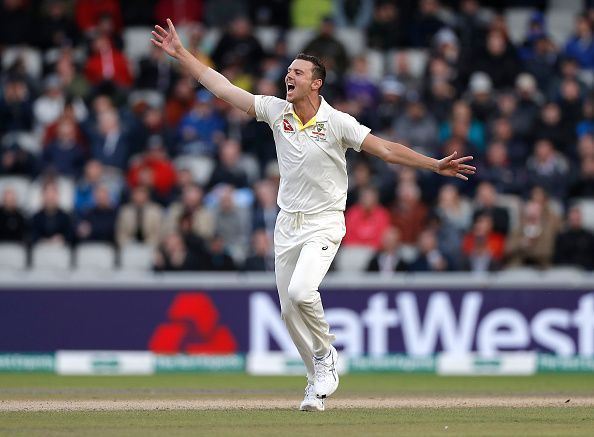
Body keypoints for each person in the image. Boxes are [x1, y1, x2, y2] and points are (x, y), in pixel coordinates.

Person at [151, 19, 475, 412]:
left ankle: (326, 357)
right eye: (289, 70)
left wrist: (434, 165)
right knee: (289, 311)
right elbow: (223, 88)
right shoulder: (276, 111)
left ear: (316, 83)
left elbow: (387, 150)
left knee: (301, 292)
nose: (289, 75)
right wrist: (183, 55)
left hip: (325, 221)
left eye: (298, 72)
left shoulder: (336, 122)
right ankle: (315, 381)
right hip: (287, 223)